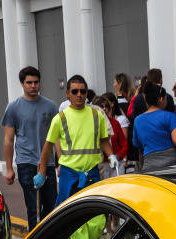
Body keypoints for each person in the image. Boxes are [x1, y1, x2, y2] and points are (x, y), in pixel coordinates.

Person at [34, 74, 117, 206]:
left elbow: (103, 140)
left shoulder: (97, 116)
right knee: (69, 215)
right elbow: (48, 146)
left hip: (92, 173)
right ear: (67, 94)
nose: (79, 95)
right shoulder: (60, 119)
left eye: (82, 91)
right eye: (74, 91)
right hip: (69, 176)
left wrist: (111, 155)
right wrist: (42, 173)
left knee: (95, 215)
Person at [3, 66, 60, 228]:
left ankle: (48, 237)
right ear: (22, 83)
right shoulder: (13, 107)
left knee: (50, 207)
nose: (33, 86)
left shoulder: (50, 106)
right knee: (33, 207)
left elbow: (56, 137)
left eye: (36, 82)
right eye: (29, 82)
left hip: (47, 164)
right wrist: (9, 168)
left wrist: (60, 162)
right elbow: (8, 139)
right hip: (26, 163)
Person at [131, 82, 176, 171]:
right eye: (166, 99)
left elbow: (137, 143)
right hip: (171, 162)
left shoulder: (138, 120)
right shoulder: (170, 116)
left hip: (149, 163)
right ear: (161, 99)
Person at [94, 94, 129, 174]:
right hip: (101, 164)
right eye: (101, 106)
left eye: (106, 106)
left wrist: (118, 156)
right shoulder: (92, 124)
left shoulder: (115, 123)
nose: (104, 109)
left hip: (117, 163)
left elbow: (124, 145)